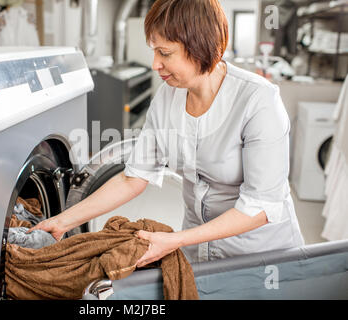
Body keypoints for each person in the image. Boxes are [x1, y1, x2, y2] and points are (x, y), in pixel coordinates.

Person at [28, 0, 304, 266]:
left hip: (260, 256)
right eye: (154, 51)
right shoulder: (167, 97)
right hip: (197, 251)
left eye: (165, 53)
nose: (155, 64)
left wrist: (177, 240)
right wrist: (63, 220)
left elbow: (261, 207)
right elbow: (132, 179)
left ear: (201, 48)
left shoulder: (258, 100)